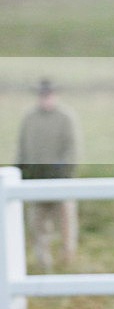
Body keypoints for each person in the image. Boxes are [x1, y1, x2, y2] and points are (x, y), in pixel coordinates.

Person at [16, 79, 81, 272]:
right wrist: (20, 170)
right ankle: (43, 263)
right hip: (36, 181)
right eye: (42, 95)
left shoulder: (65, 117)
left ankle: (67, 260)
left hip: (61, 181)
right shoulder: (29, 119)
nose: (45, 98)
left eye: (48, 94)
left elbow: (72, 149)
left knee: (66, 224)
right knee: (38, 225)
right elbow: (22, 148)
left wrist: (63, 172)